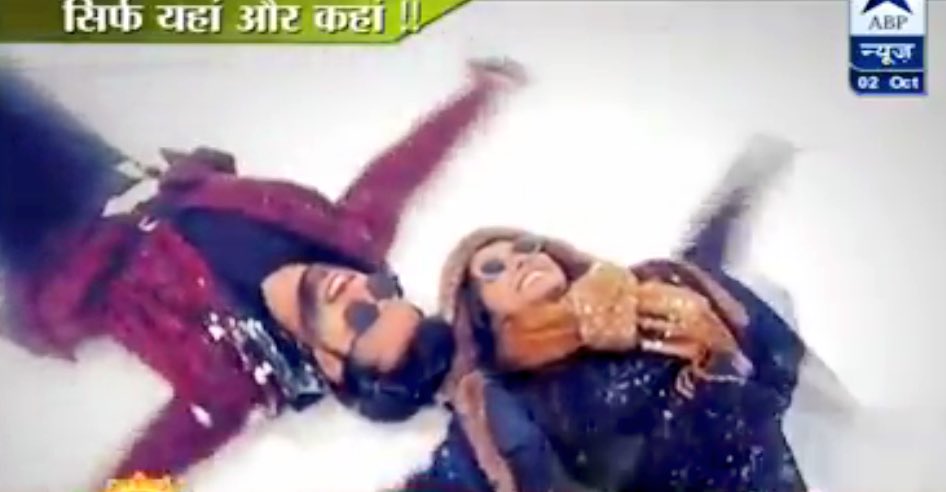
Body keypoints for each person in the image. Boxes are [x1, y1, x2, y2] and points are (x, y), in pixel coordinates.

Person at [0, 59, 525, 480]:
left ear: (332, 365)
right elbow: (404, 171)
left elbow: (150, 469)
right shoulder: (347, 239)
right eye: (387, 292)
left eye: (362, 319)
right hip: (108, 171)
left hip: (41, 240)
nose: (360, 291)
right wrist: (479, 94)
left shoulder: (232, 382)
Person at [405, 136, 808, 492]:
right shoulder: (501, 402)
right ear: (481, 312)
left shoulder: (657, 282)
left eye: (525, 246)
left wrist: (736, 384)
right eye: (493, 269)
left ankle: (746, 183)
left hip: (777, 476)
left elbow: (779, 360)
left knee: (713, 251)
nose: (519, 260)